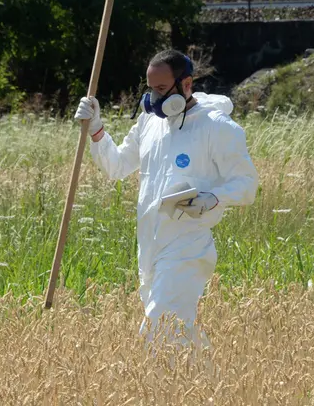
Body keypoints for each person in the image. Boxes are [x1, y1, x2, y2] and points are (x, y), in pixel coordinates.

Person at [74, 49, 258, 347]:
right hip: (149, 246)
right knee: (175, 334)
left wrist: (212, 197)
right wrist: (96, 129)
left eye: (161, 90)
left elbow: (247, 185)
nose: (154, 99)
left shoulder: (218, 127)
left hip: (188, 246)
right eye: (150, 89)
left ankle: (165, 388)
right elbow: (117, 166)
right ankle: (212, 387)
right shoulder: (149, 122)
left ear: (187, 84)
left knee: (158, 328)